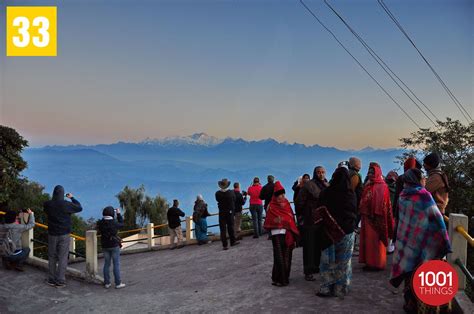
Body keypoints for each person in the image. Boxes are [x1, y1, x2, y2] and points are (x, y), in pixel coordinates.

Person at [390, 168, 451, 313]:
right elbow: (437, 219)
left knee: (408, 274)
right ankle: (418, 307)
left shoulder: (403, 194)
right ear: (417, 179)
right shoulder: (423, 195)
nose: (425, 180)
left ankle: (409, 303)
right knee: (419, 274)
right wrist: (444, 241)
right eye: (423, 177)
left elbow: (403, 220)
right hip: (421, 243)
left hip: (406, 243)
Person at [316, 167, 357, 298]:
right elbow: (353, 212)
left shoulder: (325, 192)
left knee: (327, 261)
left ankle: (326, 288)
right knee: (343, 262)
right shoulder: (350, 194)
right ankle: (340, 289)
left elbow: (319, 211)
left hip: (328, 232)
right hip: (346, 233)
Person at [44, 185, 82, 287]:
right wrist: (72, 198)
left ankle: (51, 279)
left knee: (52, 256)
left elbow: (46, 211)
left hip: (52, 234)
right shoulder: (66, 204)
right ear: (63, 194)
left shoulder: (48, 204)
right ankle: (60, 280)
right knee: (63, 257)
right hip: (64, 234)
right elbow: (79, 207)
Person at [295, 166, 328, 281]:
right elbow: (299, 202)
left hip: (322, 221)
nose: (321, 174)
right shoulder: (309, 185)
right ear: (315, 173)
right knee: (309, 246)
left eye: (323, 172)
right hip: (310, 220)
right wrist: (304, 214)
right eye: (319, 172)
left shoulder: (326, 185)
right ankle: (308, 271)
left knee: (318, 245)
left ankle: (316, 267)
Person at [359, 163, 394, 270]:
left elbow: (385, 203)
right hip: (367, 218)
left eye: (372, 172)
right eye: (369, 172)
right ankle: (369, 262)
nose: (370, 174)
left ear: (377, 173)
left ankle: (378, 263)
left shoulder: (383, 186)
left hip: (378, 218)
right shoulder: (368, 185)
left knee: (376, 242)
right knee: (368, 241)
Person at [263, 181, 299, 287]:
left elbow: (291, 217)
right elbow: (270, 220)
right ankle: (279, 279)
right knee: (279, 257)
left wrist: (287, 224)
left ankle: (284, 278)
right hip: (277, 234)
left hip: (288, 234)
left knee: (287, 256)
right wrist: (283, 222)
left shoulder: (287, 203)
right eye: (280, 195)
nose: (282, 196)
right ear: (276, 196)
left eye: (283, 194)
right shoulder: (272, 206)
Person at [392, 157, 422, 243]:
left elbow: (397, 195)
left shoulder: (401, 178)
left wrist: (394, 211)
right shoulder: (419, 178)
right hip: (415, 211)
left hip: (402, 209)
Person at [96, 206, 126, 289]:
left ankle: (107, 283)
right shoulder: (114, 223)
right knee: (116, 264)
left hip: (105, 245)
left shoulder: (100, 223)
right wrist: (119, 214)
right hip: (114, 245)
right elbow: (122, 224)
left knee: (106, 264)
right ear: (112, 213)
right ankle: (118, 283)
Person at [215, 179, 239, 250]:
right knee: (230, 227)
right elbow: (234, 200)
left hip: (221, 212)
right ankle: (232, 241)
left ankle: (224, 245)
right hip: (230, 212)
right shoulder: (231, 193)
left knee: (222, 229)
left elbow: (217, 200)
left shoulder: (217, 193)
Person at [385, 170, 399, 254]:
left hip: (389, 211)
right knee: (391, 229)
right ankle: (389, 247)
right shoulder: (397, 188)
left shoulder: (384, 187)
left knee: (390, 229)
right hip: (391, 211)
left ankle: (388, 247)